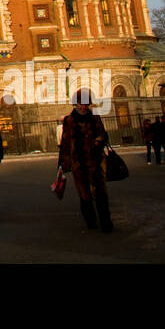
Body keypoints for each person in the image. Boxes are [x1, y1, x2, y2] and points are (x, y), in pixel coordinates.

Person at [58, 88, 113, 233]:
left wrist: (98, 141)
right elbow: (65, 142)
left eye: (85, 104)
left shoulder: (95, 118)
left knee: (100, 192)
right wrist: (63, 163)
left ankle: (106, 221)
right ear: (75, 104)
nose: (82, 107)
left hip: (96, 160)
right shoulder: (69, 121)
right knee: (84, 194)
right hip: (79, 162)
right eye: (80, 104)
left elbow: (103, 134)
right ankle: (90, 221)